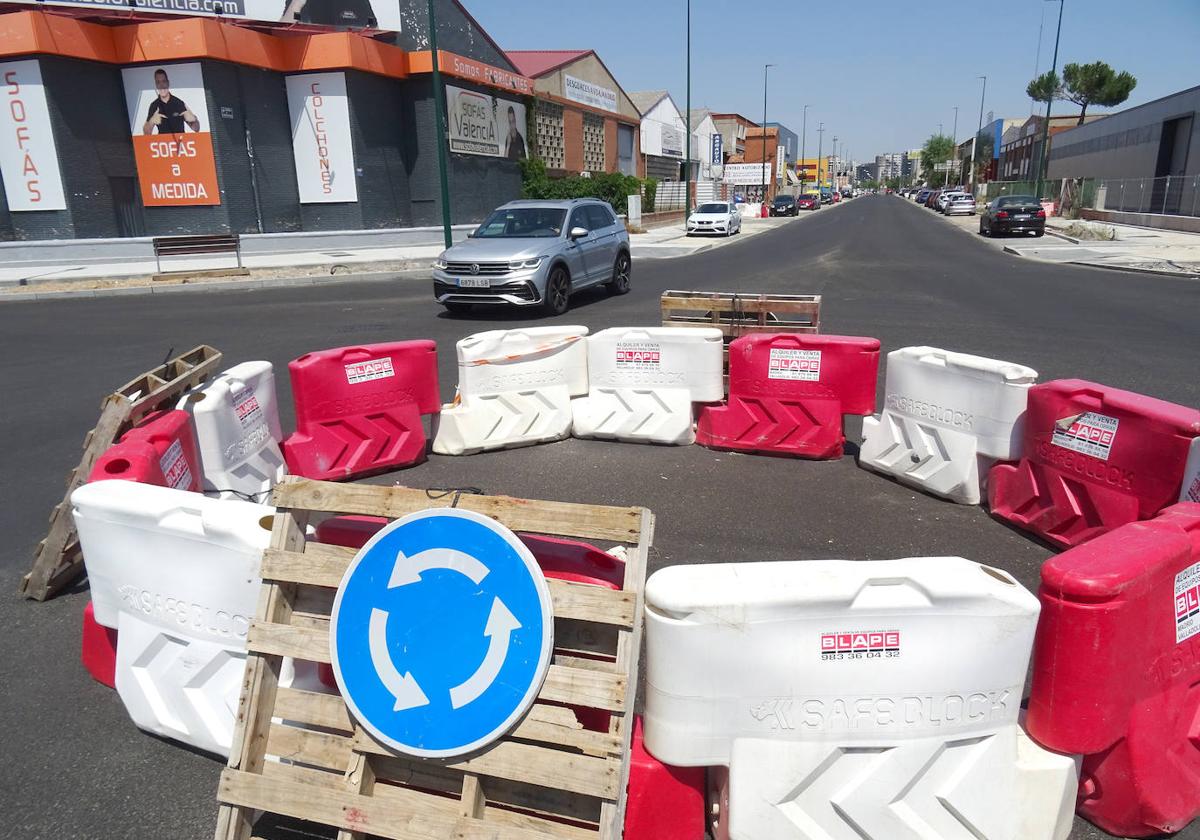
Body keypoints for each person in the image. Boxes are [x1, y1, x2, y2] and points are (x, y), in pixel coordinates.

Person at [142, 68, 200, 135]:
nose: (161, 85)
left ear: (168, 83)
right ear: (156, 85)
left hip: (180, 143)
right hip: (163, 144)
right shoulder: (154, 105)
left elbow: (196, 128)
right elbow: (146, 133)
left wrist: (193, 119)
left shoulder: (178, 103)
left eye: (163, 81)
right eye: (158, 82)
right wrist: (152, 121)